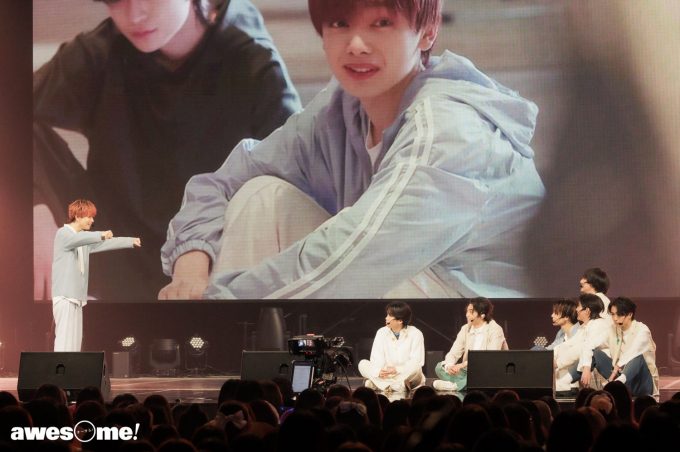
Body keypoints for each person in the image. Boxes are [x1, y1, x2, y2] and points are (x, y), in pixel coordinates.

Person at [158, 0, 545, 300]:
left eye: (382, 23)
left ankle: (226, 343)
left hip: (489, 326)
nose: (356, 45)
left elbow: (356, 252)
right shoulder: (341, 111)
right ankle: (240, 363)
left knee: (348, 262)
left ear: (427, 33)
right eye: (340, 24)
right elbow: (224, 182)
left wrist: (218, 303)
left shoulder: (448, 129)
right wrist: (192, 265)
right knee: (261, 195)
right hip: (400, 299)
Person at [33, 0, 301, 299]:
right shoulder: (103, 48)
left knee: (273, 190)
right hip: (115, 250)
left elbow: (295, 183)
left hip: (211, 264)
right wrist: (35, 207)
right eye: (116, 0)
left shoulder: (254, 62)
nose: (134, 15)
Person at [52, 199, 141, 351]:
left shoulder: (82, 239)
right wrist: (101, 234)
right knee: (64, 341)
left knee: (75, 344)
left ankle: (71, 366)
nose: (92, 220)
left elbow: (104, 243)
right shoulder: (63, 234)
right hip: (65, 297)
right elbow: (78, 239)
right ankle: (59, 366)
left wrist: (130, 241)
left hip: (77, 298)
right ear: (77, 216)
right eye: (89, 216)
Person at [433, 297, 508, 392]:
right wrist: (450, 366)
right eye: (467, 311)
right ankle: (465, 384)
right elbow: (454, 353)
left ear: (482, 315)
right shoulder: (465, 329)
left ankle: (454, 386)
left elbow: (489, 357)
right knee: (439, 367)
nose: (467, 315)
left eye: (471, 312)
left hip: (488, 370)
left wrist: (462, 365)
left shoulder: (495, 329)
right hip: (467, 371)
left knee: (480, 375)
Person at [592, 297, 659, 398]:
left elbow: (634, 351)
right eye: (613, 314)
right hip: (619, 376)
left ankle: (617, 383)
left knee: (637, 356)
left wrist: (616, 370)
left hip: (641, 382)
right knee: (595, 353)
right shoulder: (612, 329)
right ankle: (569, 384)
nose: (615, 318)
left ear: (630, 315)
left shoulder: (642, 330)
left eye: (619, 315)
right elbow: (592, 343)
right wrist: (586, 367)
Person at [358, 302, 425, 393]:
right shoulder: (381, 332)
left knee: (417, 369)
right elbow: (376, 358)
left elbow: (417, 361)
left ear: (400, 320)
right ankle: (396, 386)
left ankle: (378, 384)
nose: (386, 318)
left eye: (389, 316)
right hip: (386, 375)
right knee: (362, 364)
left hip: (404, 374)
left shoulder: (416, 333)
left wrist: (396, 370)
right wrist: (380, 371)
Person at [555, 293, 612, 392]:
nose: (576, 309)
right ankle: (563, 383)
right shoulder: (584, 326)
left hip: (606, 368)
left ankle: (565, 381)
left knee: (586, 351)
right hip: (592, 365)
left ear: (587, 311)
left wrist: (558, 363)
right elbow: (569, 344)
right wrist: (552, 357)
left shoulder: (599, 325)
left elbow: (585, 347)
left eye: (578, 306)